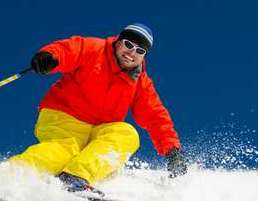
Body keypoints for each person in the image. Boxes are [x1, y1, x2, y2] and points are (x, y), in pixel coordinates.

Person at [10, 23, 188, 192]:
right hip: (65, 117)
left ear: (143, 57)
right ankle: (9, 178)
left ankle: (74, 178)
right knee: (63, 151)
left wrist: (172, 150)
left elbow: (155, 115)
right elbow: (69, 49)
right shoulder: (95, 49)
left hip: (99, 130)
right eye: (128, 44)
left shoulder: (140, 82)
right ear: (119, 41)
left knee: (127, 134)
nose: (131, 52)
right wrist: (51, 56)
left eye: (139, 51)